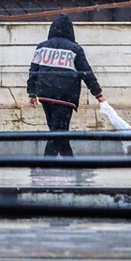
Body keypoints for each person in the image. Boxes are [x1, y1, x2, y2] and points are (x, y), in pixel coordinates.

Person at [27, 13, 104, 157]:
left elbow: (33, 71)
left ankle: (71, 163)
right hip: (65, 96)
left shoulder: (41, 47)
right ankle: (46, 166)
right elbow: (86, 73)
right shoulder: (74, 49)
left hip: (45, 94)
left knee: (57, 132)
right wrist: (98, 94)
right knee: (58, 133)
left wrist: (32, 93)